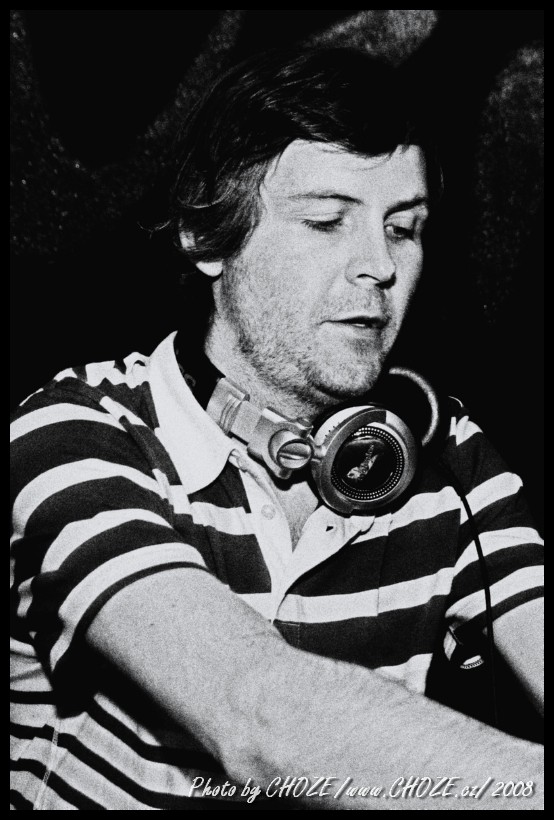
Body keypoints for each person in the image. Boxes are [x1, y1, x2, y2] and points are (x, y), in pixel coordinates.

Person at [10, 47, 543, 810]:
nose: (379, 266)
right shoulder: (74, 435)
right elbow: (256, 713)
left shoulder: (446, 454)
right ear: (208, 237)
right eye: (326, 221)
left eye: (404, 227)